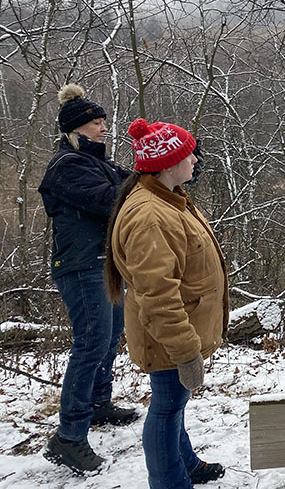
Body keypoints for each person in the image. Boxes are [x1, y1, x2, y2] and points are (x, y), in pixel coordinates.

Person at [105, 118, 228, 488]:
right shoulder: (150, 216)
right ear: (170, 162)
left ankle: (186, 463)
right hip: (168, 340)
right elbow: (157, 297)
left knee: (174, 405)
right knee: (166, 409)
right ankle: (170, 482)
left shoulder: (167, 198)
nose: (196, 160)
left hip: (176, 333)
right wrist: (186, 352)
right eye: (190, 154)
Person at [38, 84, 137, 473]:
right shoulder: (67, 166)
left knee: (110, 336)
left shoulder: (100, 163)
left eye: (104, 122)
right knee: (92, 342)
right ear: (76, 127)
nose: (104, 129)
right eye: (97, 123)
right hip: (81, 266)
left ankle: (98, 403)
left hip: (103, 264)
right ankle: (69, 437)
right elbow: (109, 200)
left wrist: (174, 165)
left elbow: (136, 184)